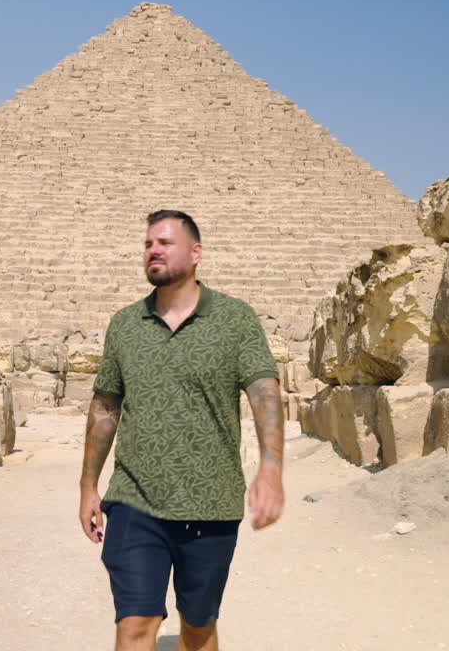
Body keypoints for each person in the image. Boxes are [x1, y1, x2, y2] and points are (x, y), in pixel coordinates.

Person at [78, 209, 285, 651]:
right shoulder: (125, 325)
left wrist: (271, 470)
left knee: (198, 626)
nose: (153, 250)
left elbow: (264, 392)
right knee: (135, 623)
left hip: (211, 501)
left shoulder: (234, 319)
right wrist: (88, 486)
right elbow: (105, 405)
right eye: (148, 243)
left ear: (195, 253)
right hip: (134, 499)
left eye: (165, 243)